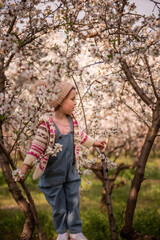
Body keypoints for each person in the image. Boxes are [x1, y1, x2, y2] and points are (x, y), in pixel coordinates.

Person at [21, 81, 106, 240]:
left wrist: (94, 142)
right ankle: (62, 232)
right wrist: (24, 168)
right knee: (59, 206)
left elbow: (80, 136)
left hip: (71, 171)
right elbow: (36, 147)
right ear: (59, 101)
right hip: (53, 174)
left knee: (73, 202)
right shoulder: (47, 125)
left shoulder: (71, 121)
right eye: (72, 99)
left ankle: (75, 231)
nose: (76, 103)